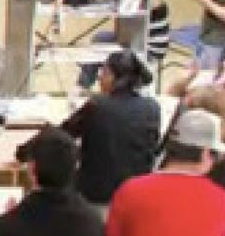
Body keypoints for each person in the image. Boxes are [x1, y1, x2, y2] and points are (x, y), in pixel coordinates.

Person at [61, 50, 162, 206]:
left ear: (113, 76)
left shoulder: (97, 105)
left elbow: (62, 135)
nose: (99, 77)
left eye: (103, 72)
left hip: (97, 195)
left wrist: (25, 152)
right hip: (138, 195)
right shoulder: (152, 108)